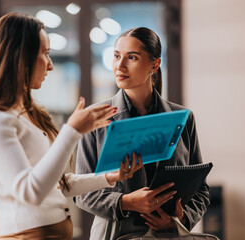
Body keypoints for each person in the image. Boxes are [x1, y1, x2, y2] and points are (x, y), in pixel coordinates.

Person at [0, 13, 144, 240]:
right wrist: (72, 132)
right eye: (45, 54)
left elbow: (59, 185)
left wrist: (111, 176)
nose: (51, 65)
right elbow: (30, 192)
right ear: (21, 57)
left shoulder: (25, 115)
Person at [75, 27, 211, 239]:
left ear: (154, 64)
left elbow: (200, 187)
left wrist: (181, 219)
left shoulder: (183, 118)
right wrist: (126, 202)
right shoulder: (95, 118)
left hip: (168, 235)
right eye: (116, 56)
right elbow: (81, 193)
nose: (120, 65)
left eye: (132, 57)